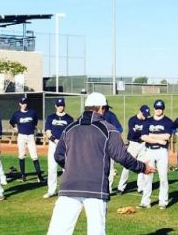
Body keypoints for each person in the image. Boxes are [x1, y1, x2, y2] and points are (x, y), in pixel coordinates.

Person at [46, 92, 155, 235]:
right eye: (106, 109)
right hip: (95, 188)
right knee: (96, 232)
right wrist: (142, 167)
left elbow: (58, 155)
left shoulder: (69, 128)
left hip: (69, 186)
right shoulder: (108, 129)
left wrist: (74, 167)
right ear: (101, 108)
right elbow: (121, 156)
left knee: (57, 232)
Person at [138, 99, 174, 209]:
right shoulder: (148, 121)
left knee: (163, 177)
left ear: (163, 109)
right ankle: (145, 201)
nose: (158, 110)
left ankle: (163, 201)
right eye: (157, 108)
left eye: (160, 108)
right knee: (147, 176)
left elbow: (167, 137)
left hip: (161, 152)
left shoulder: (168, 121)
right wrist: (158, 139)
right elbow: (143, 137)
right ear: (154, 109)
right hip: (149, 151)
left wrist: (151, 135)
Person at [43, 98, 74, 198]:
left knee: (66, 167)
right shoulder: (51, 117)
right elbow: (47, 132)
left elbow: (71, 132)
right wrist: (55, 140)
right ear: (55, 106)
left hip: (65, 145)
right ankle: (51, 190)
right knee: (52, 167)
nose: (61, 107)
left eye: (62, 105)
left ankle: (66, 189)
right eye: (59, 105)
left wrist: (64, 142)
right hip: (53, 144)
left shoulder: (69, 118)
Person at [9, 97, 44, 183]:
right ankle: (23, 176)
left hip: (30, 136)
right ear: (20, 104)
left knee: (34, 156)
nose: (24, 105)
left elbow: (35, 123)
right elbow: (11, 122)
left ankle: (39, 176)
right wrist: (15, 128)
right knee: (21, 155)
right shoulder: (16, 114)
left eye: (25, 103)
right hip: (21, 136)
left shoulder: (32, 112)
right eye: (22, 103)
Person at [116, 105, 149, 195]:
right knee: (127, 166)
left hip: (143, 144)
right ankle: (121, 187)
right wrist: (141, 133)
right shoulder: (132, 120)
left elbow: (146, 133)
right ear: (139, 111)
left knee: (141, 166)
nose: (145, 116)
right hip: (133, 144)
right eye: (144, 114)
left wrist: (139, 132)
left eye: (146, 114)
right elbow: (133, 134)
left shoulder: (147, 121)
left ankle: (141, 187)